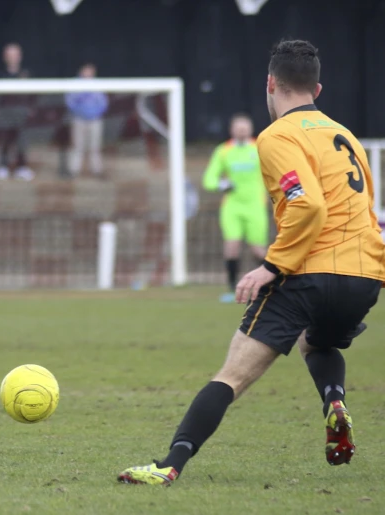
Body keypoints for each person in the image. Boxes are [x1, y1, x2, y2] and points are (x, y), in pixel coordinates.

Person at [118, 39, 385, 486]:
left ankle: (169, 465)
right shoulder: (349, 138)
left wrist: (271, 267)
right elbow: (366, 213)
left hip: (309, 273)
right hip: (364, 277)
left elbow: (308, 207)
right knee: (318, 342)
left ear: (270, 84)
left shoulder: (277, 135)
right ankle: (333, 400)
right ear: (317, 89)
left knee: (231, 376)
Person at [202, 113, 269, 303]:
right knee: (232, 247)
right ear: (232, 130)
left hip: (255, 205)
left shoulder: (260, 147)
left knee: (258, 250)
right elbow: (209, 179)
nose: (241, 131)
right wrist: (222, 185)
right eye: (238, 128)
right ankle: (232, 289)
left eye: (244, 128)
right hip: (232, 207)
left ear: (250, 129)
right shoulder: (223, 151)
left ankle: (268, 287)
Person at [0, 43, 34, 182]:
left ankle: (22, 167)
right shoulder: (0, 74)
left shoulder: (26, 73)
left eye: (15, 55)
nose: (13, 58)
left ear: (20, 57)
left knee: (21, 141)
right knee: (5, 139)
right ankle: (3, 166)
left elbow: (31, 94)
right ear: (5, 57)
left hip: (21, 112)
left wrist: (29, 108)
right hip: (6, 112)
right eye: (9, 55)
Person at [65, 62, 108, 177]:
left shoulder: (98, 84)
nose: (89, 73)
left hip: (95, 120)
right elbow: (70, 101)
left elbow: (103, 103)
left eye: (91, 71)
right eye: (86, 70)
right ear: (82, 71)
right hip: (79, 119)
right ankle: (73, 171)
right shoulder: (74, 84)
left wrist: (94, 113)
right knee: (77, 146)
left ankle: (97, 170)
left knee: (95, 147)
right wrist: (80, 112)